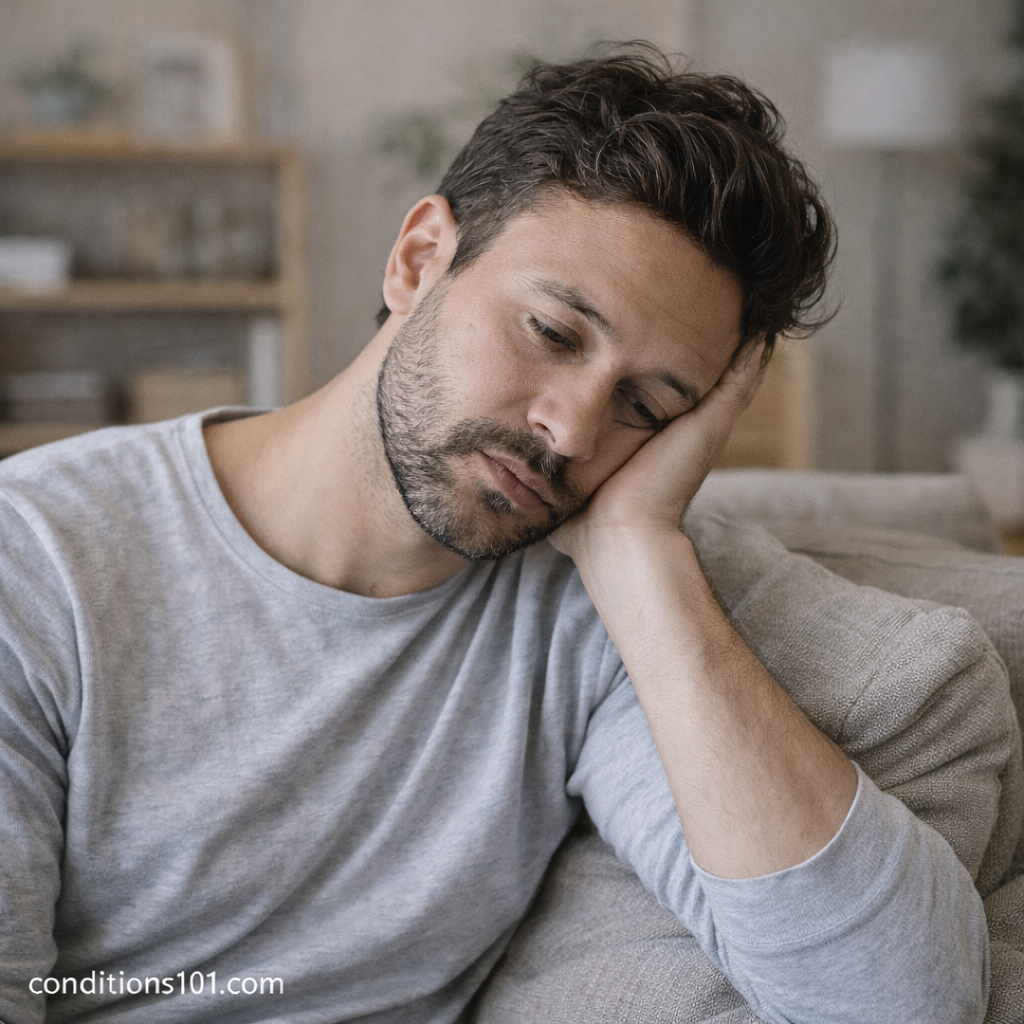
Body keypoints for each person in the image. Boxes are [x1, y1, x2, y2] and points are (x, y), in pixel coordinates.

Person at [0, 46, 989, 1024]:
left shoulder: (602, 609)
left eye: (644, 404)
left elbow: (901, 1001)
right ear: (419, 259)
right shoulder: (39, 560)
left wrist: (642, 552)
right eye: (553, 335)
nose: (570, 430)